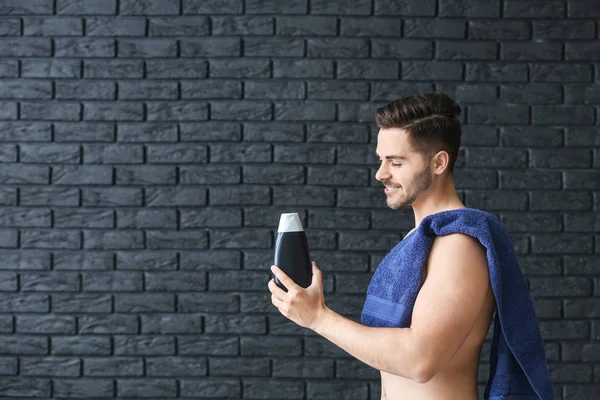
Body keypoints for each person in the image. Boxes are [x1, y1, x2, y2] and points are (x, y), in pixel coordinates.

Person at [269, 93, 496, 399]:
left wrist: (319, 318)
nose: (381, 173)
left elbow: (420, 361)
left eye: (396, 162)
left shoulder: (457, 245)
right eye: (381, 160)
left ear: (439, 162)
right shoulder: (420, 241)